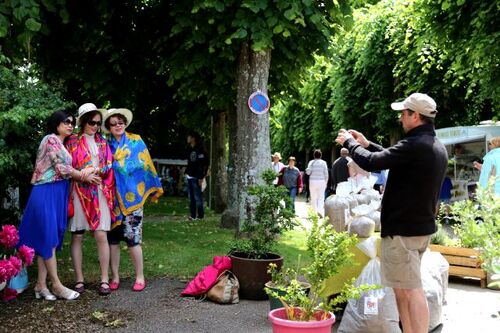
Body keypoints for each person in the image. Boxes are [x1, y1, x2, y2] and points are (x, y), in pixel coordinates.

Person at [336, 92, 448, 333]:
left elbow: (372, 162)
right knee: (403, 290)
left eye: (403, 113)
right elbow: (387, 156)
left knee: (411, 290)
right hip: (417, 229)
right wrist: (366, 144)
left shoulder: (415, 145)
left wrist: (349, 143)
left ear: (415, 116)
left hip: (403, 233)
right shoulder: (432, 145)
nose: (400, 118)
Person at [18, 111, 96, 300]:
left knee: (50, 238)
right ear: (56, 123)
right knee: (48, 237)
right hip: (46, 191)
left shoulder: (62, 143)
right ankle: (57, 285)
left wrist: (84, 172)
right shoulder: (50, 139)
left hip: (58, 192)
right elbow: (62, 168)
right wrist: (84, 175)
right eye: (66, 122)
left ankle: (41, 286)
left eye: (72, 123)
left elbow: (66, 169)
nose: (70, 125)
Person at [102, 108, 164, 292]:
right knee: (112, 240)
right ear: (108, 127)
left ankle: (139, 276)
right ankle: (115, 277)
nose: (118, 126)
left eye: (120, 122)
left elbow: (144, 163)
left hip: (133, 197)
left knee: (132, 239)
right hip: (112, 200)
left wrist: (122, 166)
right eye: (113, 124)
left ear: (125, 123)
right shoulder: (105, 145)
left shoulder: (136, 140)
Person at [65, 103, 115, 296]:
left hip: (99, 192)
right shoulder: (71, 142)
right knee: (77, 235)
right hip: (79, 192)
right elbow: (66, 166)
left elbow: (108, 164)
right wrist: (82, 175)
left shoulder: (103, 142)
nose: (95, 126)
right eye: (92, 122)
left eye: (98, 123)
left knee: (101, 235)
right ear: (83, 122)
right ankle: (79, 279)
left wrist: (94, 171)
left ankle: (104, 280)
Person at [186, 131, 209, 220]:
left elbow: (204, 164)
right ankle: (192, 215)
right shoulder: (189, 149)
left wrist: (201, 177)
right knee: (191, 197)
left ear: (193, 138)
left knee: (197, 197)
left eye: (189, 137)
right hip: (189, 175)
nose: (187, 139)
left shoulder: (200, 149)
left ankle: (200, 216)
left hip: (197, 176)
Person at [305, 149, 329, 217]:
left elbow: (308, 173)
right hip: (322, 181)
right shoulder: (324, 163)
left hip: (313, 181)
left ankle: (313, 213)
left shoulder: (311, 162)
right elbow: (326, 173)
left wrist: (307, 170)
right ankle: (320, 211)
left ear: (314, 155)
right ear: (321, 155)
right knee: (321, 197)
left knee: (313, 197)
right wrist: (326, 182)